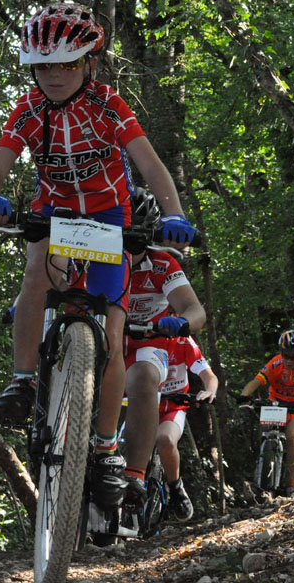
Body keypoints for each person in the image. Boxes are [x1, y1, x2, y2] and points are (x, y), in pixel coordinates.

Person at [0, 3, 197, 509]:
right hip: (53, 212)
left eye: (67, 64)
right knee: (36, 274)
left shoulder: (109, 105)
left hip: (110, 218)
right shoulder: (28, 109)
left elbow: (151, 165)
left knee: (114, 333)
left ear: (88, 64)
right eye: (44, 66)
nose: (54, 76)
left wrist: (175, 214)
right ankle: (23, 380)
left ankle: (105, 447)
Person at [120, 188, 206, 507]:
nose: (130, 242)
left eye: (138, 234)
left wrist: (182, 322)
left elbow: (194, 309)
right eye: (123, 231)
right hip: (106, 341)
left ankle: (134, 474)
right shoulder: (93, 257)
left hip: (148, 343)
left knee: (143, 376)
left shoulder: (162, 264)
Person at [237, 329, 294, 496]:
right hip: (276, 402)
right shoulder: (276, 363)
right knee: (266, 430)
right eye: (286, 355)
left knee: (292, 437)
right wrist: (244, 395)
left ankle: (291, 484)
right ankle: (262, 467)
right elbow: (256, 381)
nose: (289, 360)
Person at [156, 334, 217, 520]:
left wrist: (210, 391)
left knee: (165, 440)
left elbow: (209, 376)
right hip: (138, 406)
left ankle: (175, 487)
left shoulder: (183, 340)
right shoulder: (138, 333)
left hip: (172, 408)